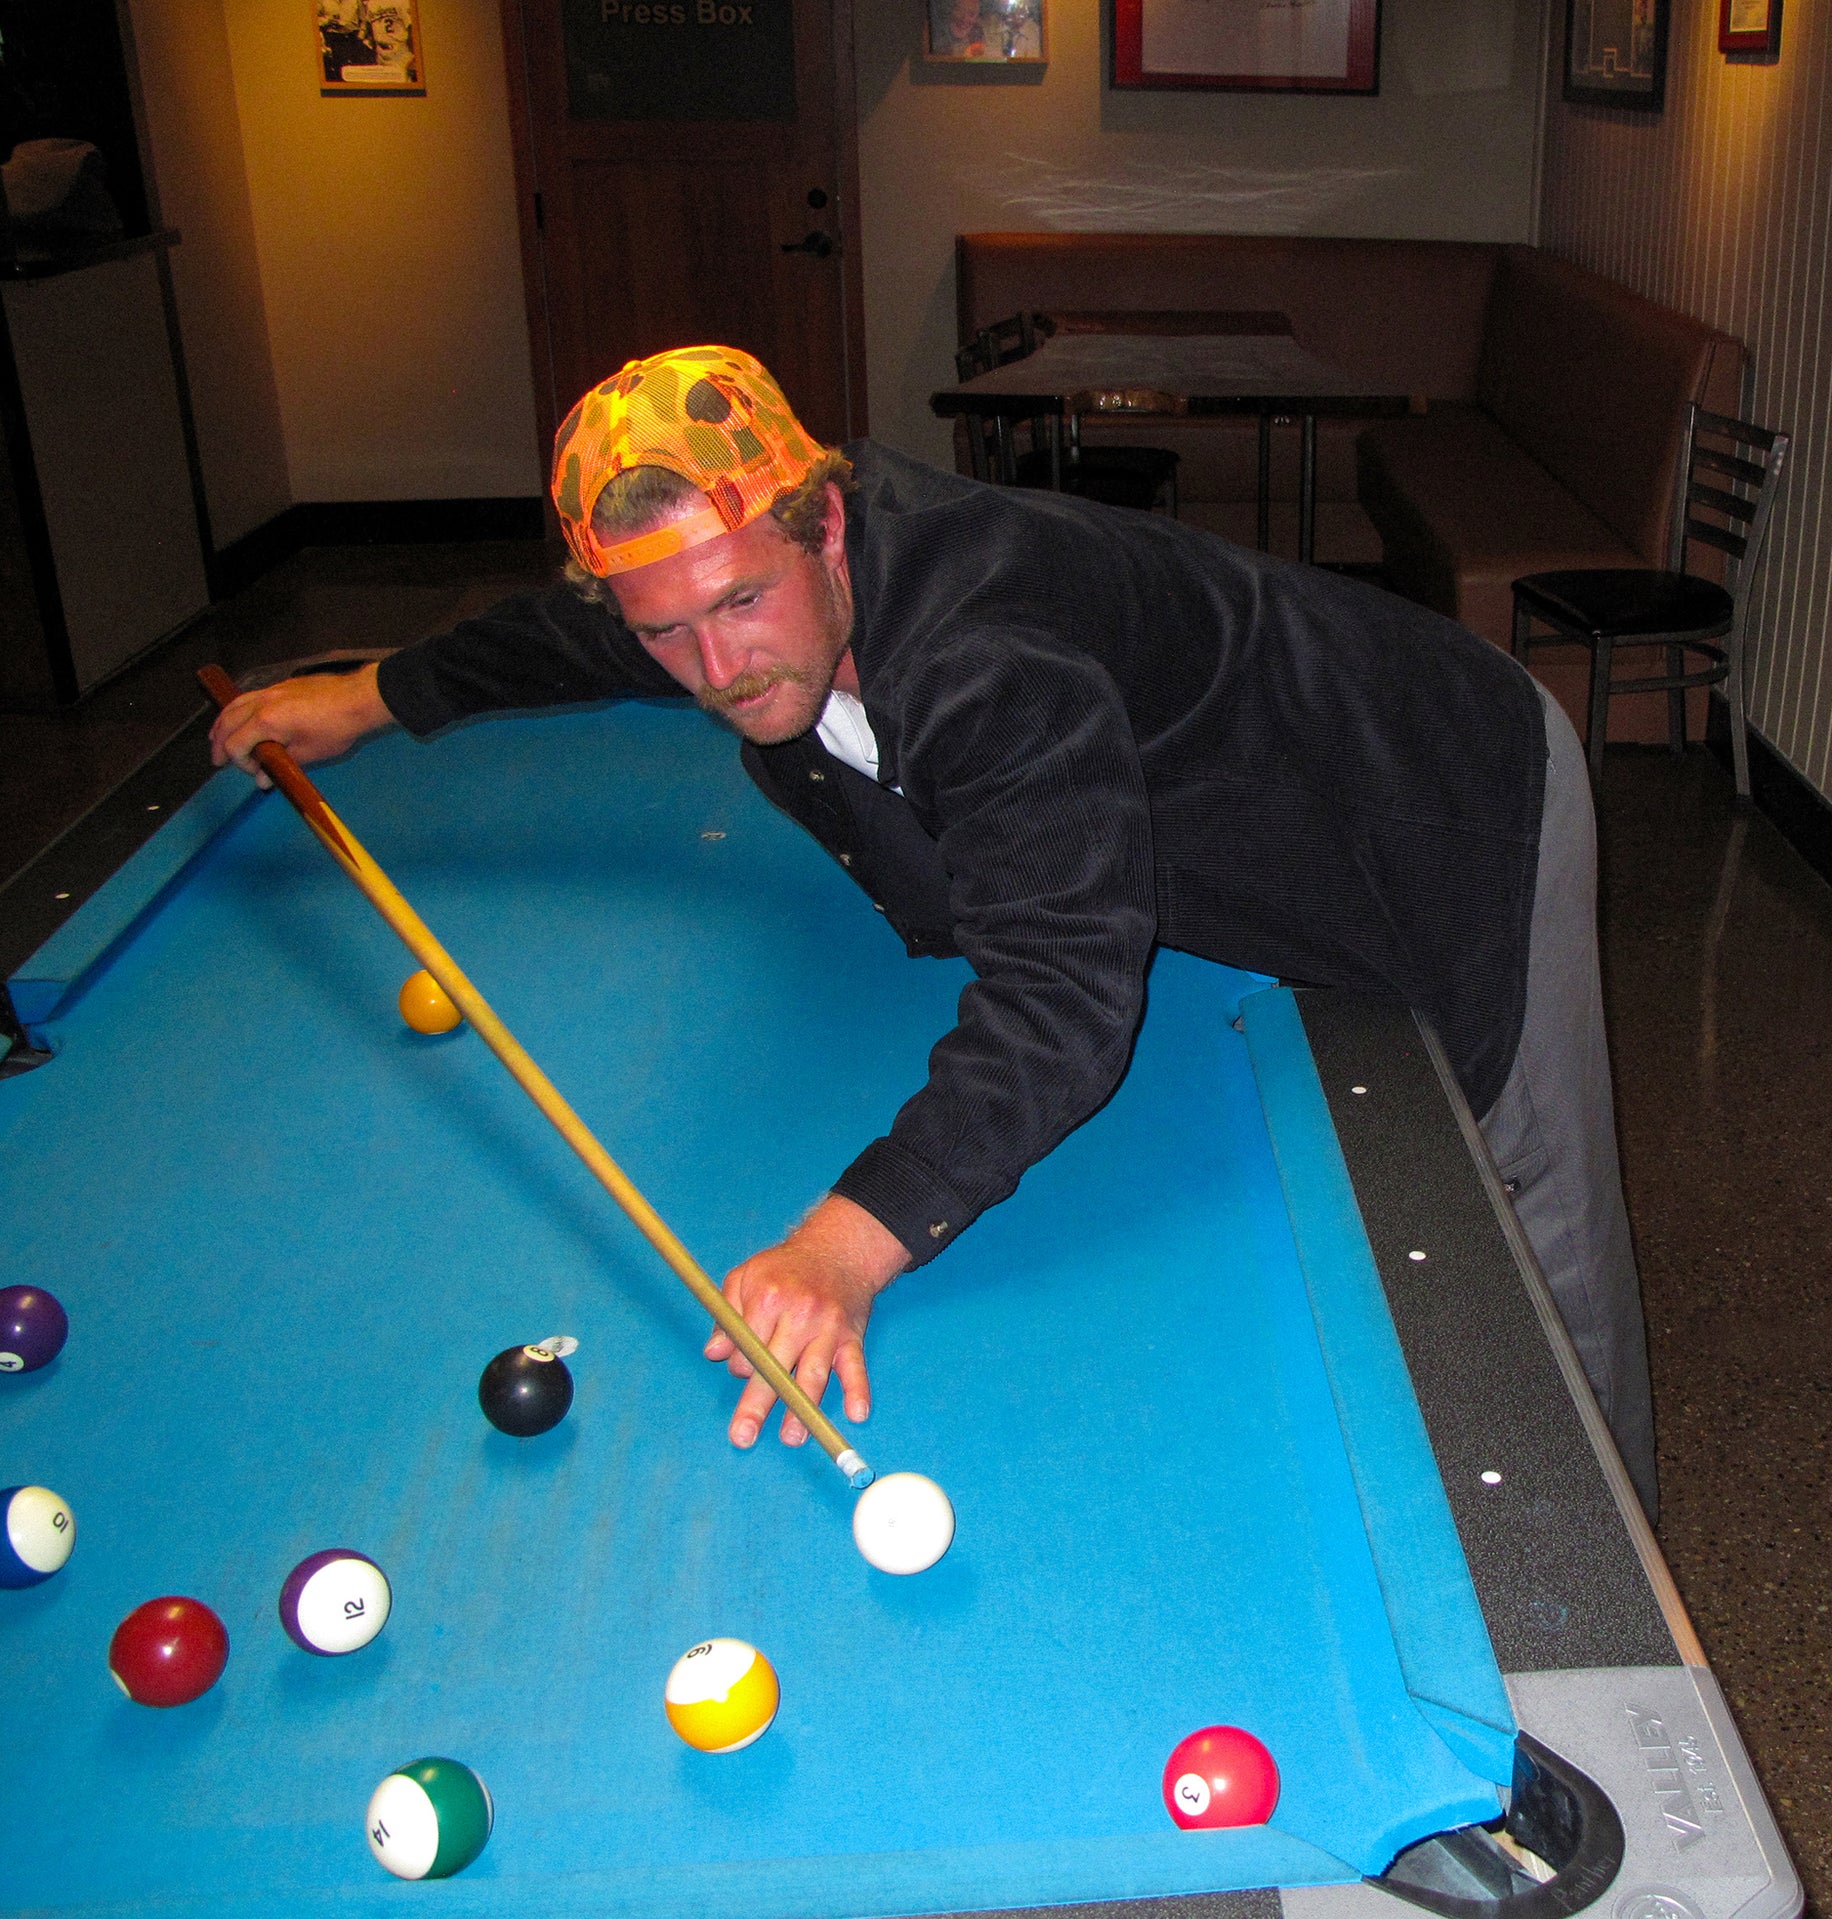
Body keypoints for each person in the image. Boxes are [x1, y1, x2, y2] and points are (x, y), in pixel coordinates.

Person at [211, 345, 1659, 1517]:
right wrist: (366, 694)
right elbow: (565, 636)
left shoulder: (984, 653)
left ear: (825, 525)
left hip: (1445, 786)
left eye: (737, 608)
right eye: (666, 633)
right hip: (1248, 787)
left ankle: (1601, 1582)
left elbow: (1066, 996)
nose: (714, 668)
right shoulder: (712, 588)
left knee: (1531, 1209)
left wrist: (849, 1242)